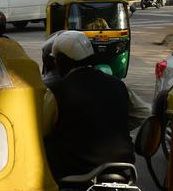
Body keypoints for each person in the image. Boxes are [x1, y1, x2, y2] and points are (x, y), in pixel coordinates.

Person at [41, 31, 142, 182]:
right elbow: (144, 113)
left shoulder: (57, 92)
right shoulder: (118, 84)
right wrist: (111, 125)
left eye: (56, 61)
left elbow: (42, 130)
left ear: (62, 61)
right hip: (123, 166)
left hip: (75, 172)